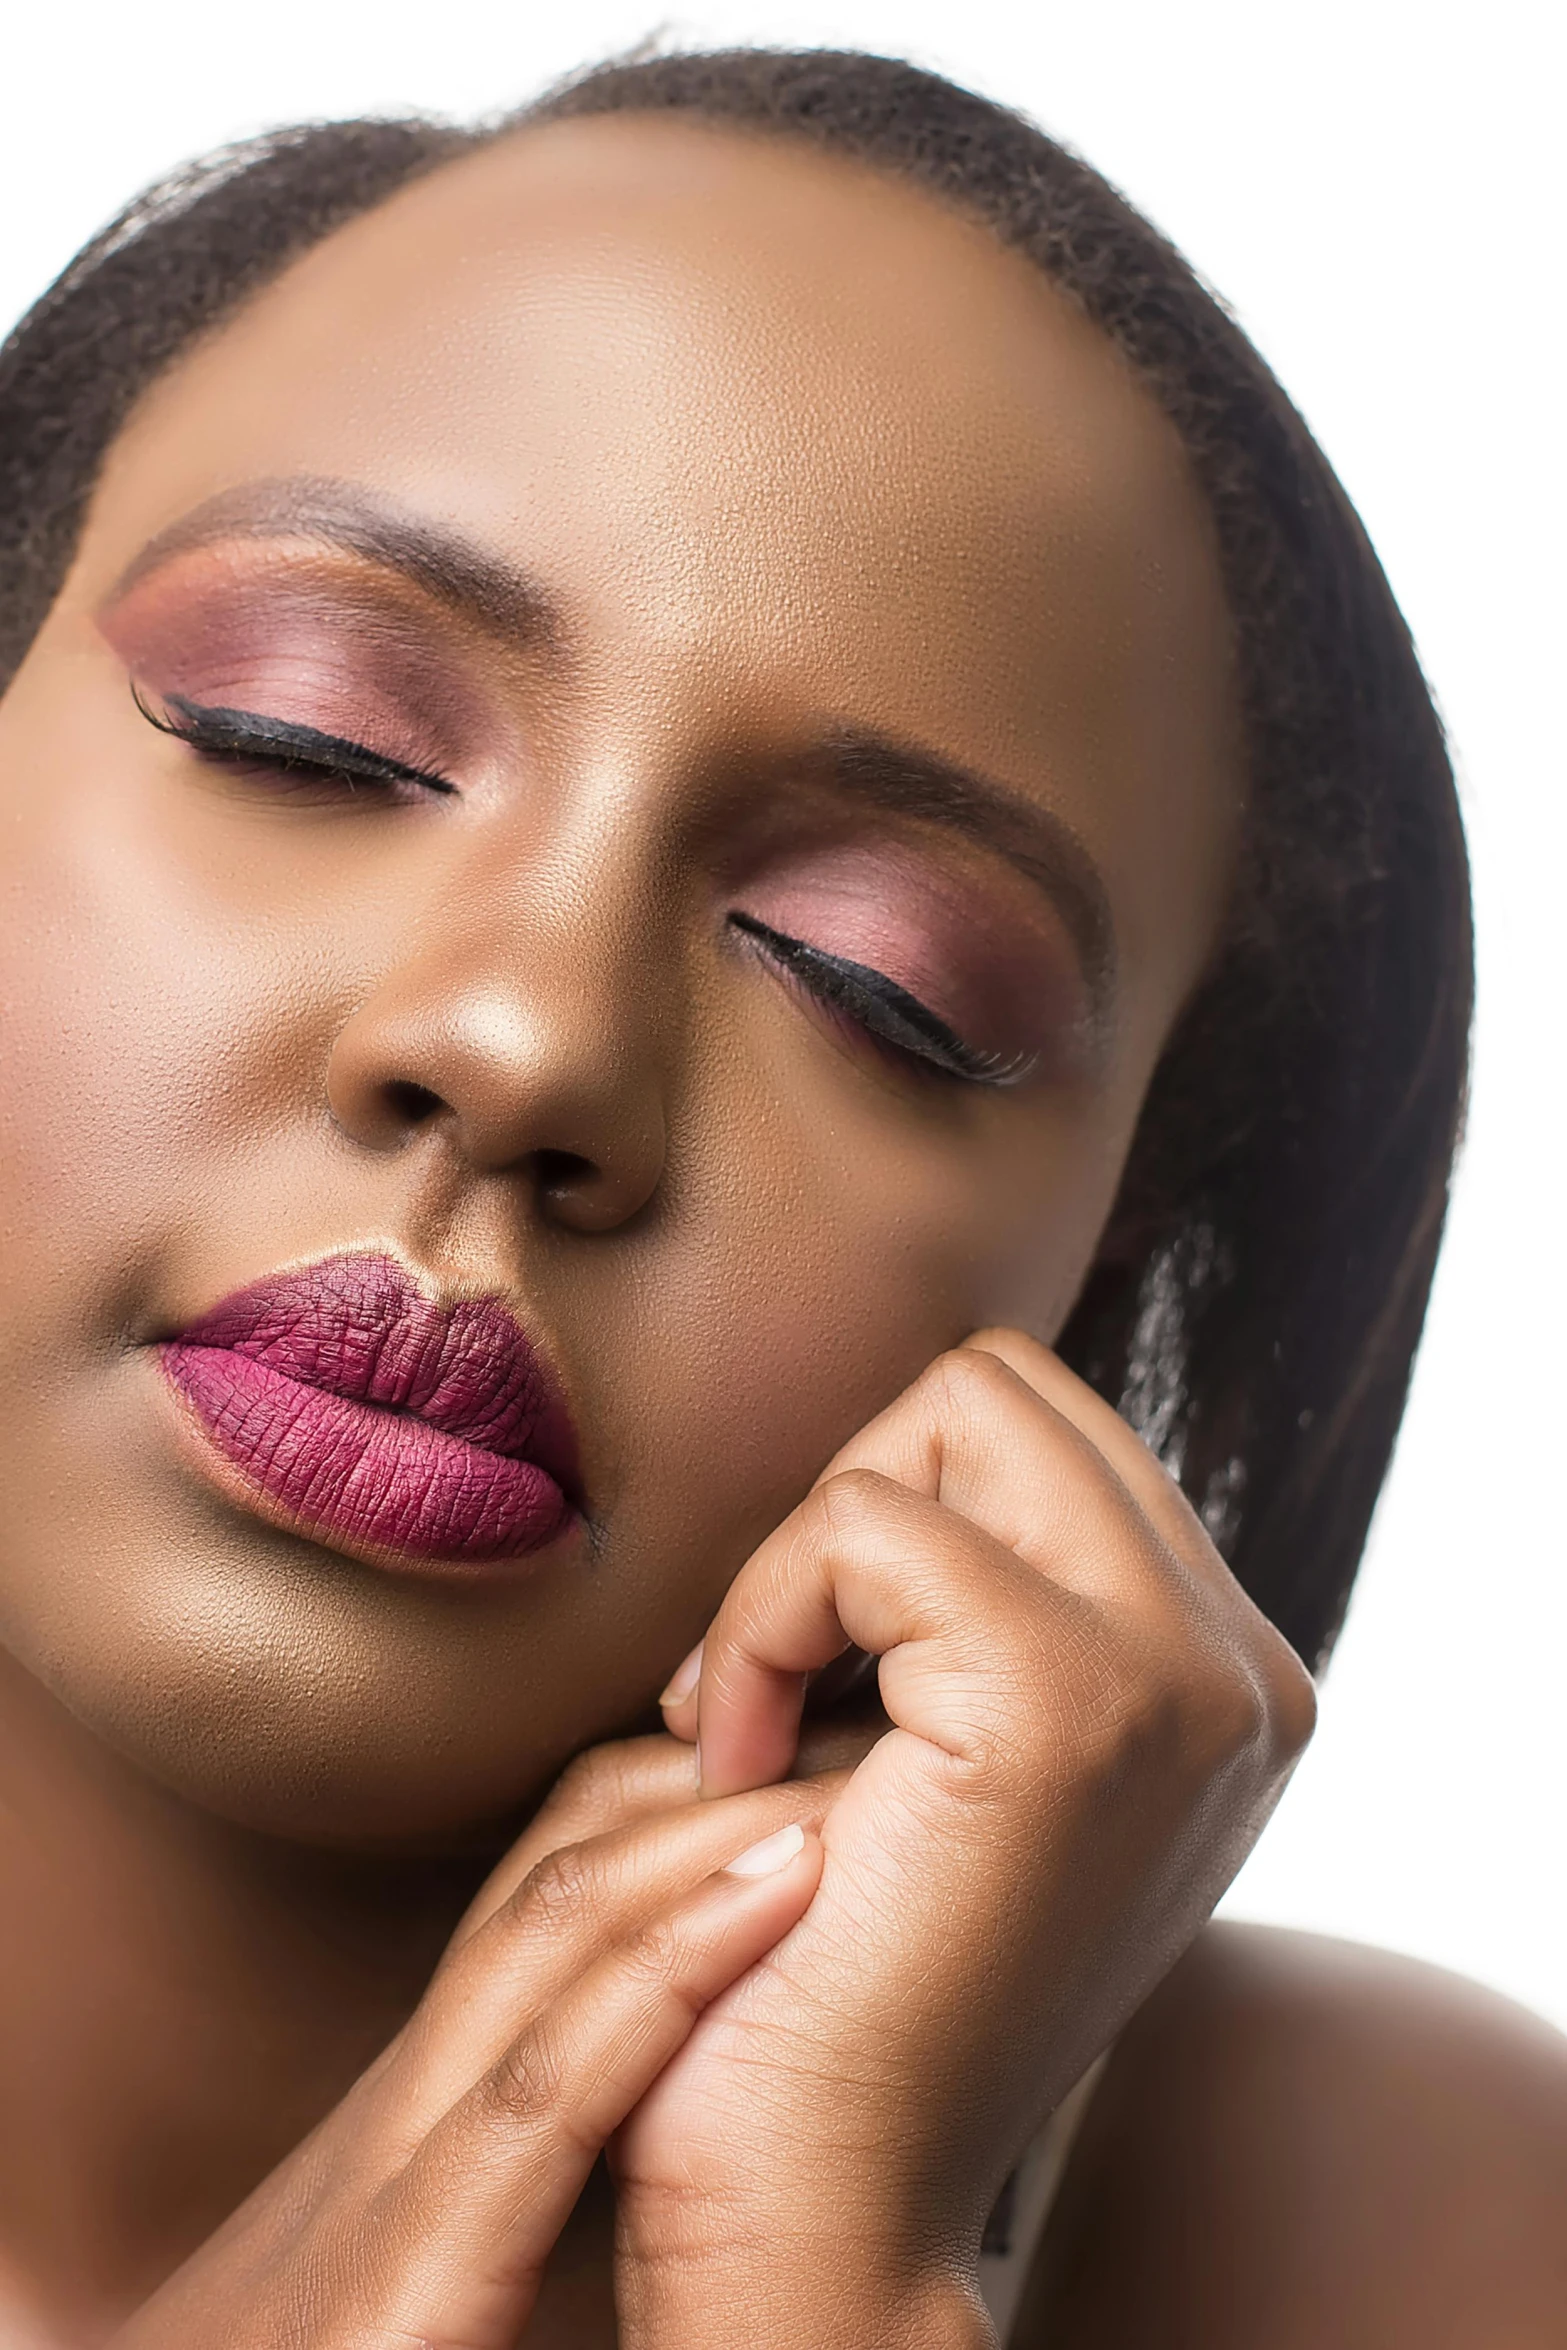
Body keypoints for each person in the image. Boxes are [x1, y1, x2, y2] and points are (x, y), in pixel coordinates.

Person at [0, 43, 1560, 2348]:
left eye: (877, 983)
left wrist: (807, 2279)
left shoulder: (1406, 2218)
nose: (528, 1043)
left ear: (1108, 1261)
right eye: (307, 737)